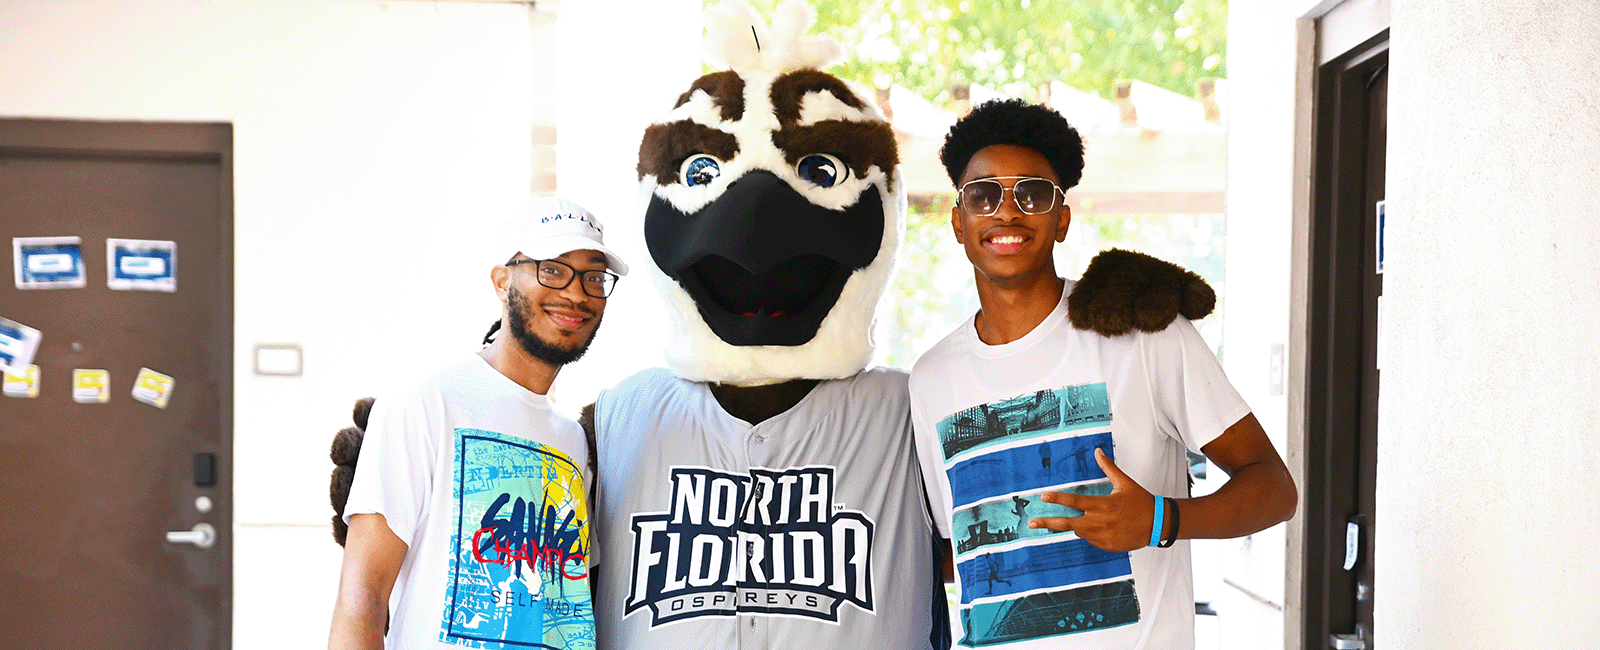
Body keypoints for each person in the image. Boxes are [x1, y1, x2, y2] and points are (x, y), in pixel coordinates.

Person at [908, 99, 1297, 649]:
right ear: (958, 220)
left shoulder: (1141, 334)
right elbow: (959, 553)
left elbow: (1275, 489)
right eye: (983, 194)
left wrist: (1162, 520)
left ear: (1061, 218)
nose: (1007, 212)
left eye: (1032, 194)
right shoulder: (930, 382)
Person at [329, 196, 627, 650]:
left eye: (593, 277)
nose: (576, 292)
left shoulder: (573, 440)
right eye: (552, 269)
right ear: (502, 281)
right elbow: (362, 599)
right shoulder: (428, 401)